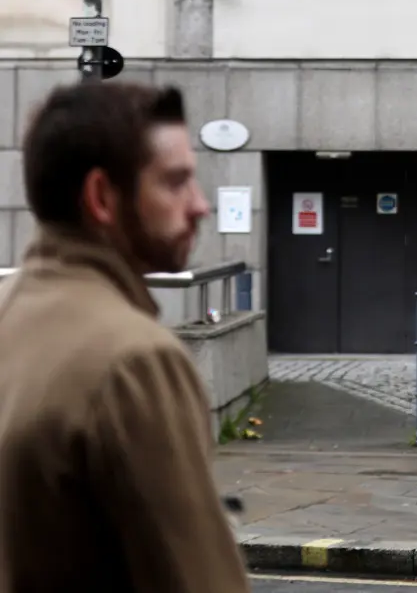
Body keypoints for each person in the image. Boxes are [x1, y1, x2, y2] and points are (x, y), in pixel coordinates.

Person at [0, 81, 251, 592]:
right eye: (175, 182)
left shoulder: (11, 316)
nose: (200, 205)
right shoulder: (135, 361)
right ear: (101, 197)